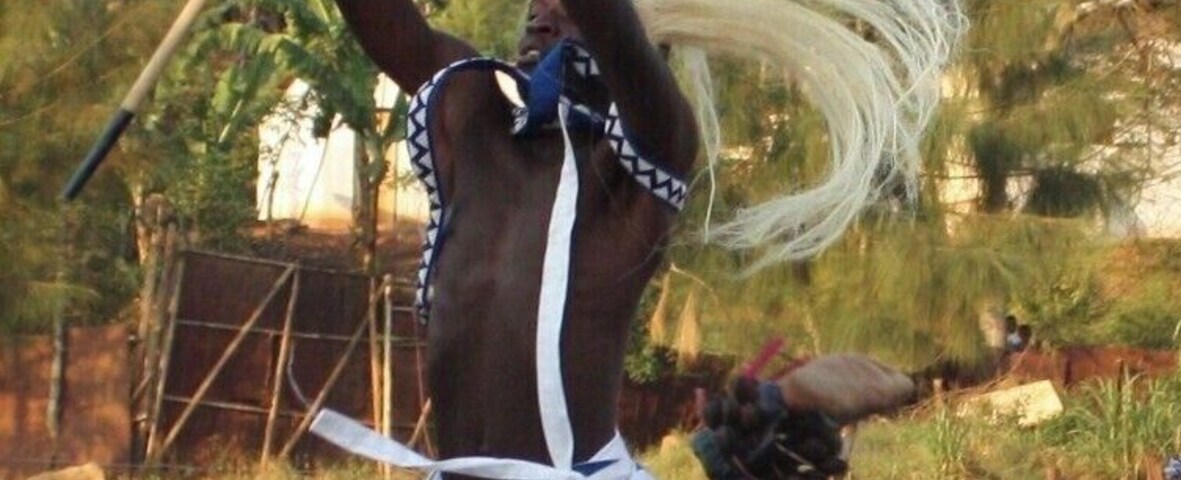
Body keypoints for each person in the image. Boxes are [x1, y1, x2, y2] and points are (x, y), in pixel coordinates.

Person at [306, 0, 961, 478]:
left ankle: (782, 405)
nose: (540, 17)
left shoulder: (645, 156)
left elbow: (611, 20)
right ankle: (777, 406)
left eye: (562, 11)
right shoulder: (471, 117)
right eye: (536, 6)